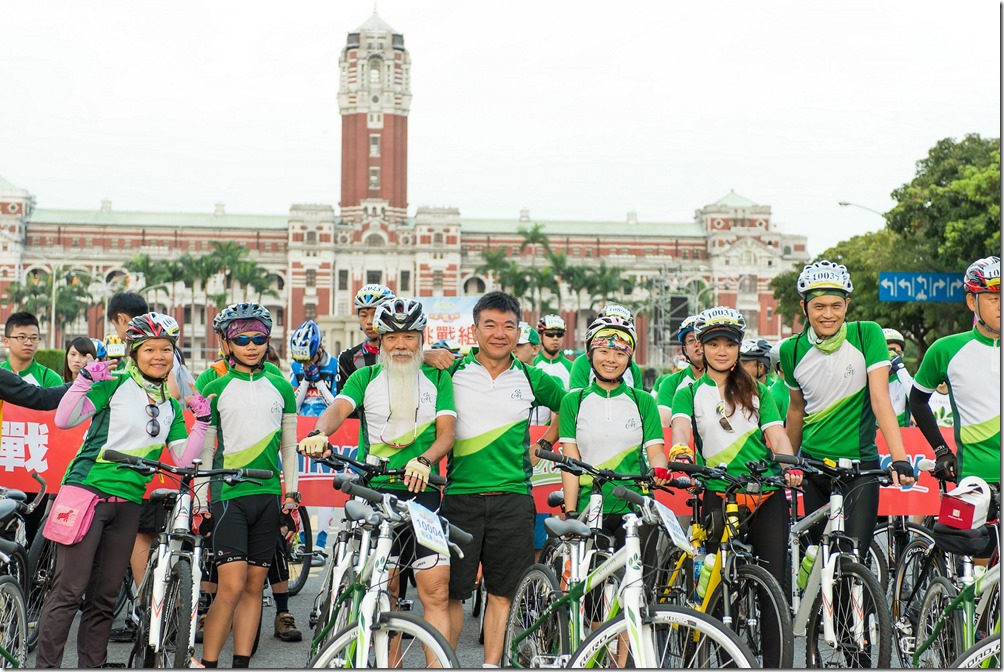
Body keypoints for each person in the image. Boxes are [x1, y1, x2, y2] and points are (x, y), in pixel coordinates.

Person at [35, 313, 211, 668]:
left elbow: (180, 459)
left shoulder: (170, 406)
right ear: (134, 352)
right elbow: (64, 419)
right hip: (87, 493)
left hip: (130, 502)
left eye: (166, 349)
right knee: (69, 591)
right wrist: (84, 381)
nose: (159, 356)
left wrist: (203, 424)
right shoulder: (112, 384)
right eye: (150, 349)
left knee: (104, 597)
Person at [299, 297, 456, 650]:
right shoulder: (364, 376)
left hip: (423, 494)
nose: (401, 345)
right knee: (386, 590)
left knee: (437, 591)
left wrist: (426, 461)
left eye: (409, 336)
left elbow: (446, 432)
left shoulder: (438, 377)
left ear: (421, 337)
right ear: (380, 341)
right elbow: (337, 409)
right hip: (374, 495)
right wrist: (318, 433)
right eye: (391, 337)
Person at [669, 307, 801, 668]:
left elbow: (776, 435)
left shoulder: (758, 390)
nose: (722, 351)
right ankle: (726, 659)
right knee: (717, 589)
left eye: (730, 343)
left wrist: (789, 465)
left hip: (765, 495)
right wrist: (680, 449)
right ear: (702, 347)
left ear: (739, 347)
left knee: (773, 588)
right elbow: (681, 429)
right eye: (714, 344)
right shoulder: (689, 392)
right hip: (717, 493)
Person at [441, 291, 566, 667]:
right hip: (460, 498)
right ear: (474, 330)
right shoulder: (451, 370)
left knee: (501, 595)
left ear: (518, 331)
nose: (499, 333)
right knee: (452, 595)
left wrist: (546, 440)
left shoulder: (530, 376)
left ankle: (490, 666)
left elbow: (570, 404)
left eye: (508, 326)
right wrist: (431, 355)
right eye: (490, 325)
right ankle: (446, 664)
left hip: (513, 500)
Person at [779, 260, 915, 560]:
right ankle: (819, 609)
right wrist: (789, 463)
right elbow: (797, 409)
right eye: (819, 306)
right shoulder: (791, 350)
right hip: (814, 468)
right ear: (805, 308)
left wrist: (900, 458)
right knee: (819, 559)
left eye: (836, 305)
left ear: (847, 305)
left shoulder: (867, 334)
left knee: (854, 557)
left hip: (860, 466)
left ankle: (861, 609)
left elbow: (880, 400)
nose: (828, 314)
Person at [197, 303, 300, 669]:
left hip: (269, 498)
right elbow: (206, 452)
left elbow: (290, 447)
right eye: (242, 338)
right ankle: (207, 663)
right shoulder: (214, 388)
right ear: (227, 343)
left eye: (258, 338)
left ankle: (241, 664)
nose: (252, 345)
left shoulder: (281, 386)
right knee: (231, 587)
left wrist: (291, 497)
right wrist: (200, 503)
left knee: (255, 586)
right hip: (228, 498)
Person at [558, 314, 669, 545]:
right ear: (590, 354)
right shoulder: (573, 401)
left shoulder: (643, 401)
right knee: (591, 578)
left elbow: (656, 451)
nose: (611, 359)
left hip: (635, 505)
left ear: (628, 360)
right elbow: (570, 462)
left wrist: (659, 469)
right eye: (604, 351)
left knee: (640, 578)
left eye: (620, 353)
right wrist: (570, 513)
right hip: (590, 506)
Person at [910, 256, 1000, 485]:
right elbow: (917, 401)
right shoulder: (945, 349)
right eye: (993, 298)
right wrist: (941, 450)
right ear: (972, 302)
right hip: (975, 480)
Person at [569, 303, 644, 391]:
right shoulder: (581, 363)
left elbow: (638, 399)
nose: (611, 360)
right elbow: (576, 399)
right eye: (604, 351)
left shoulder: (633, 368)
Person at [656, 315, 704, 426]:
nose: (697, 345)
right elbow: (663, 424)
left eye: (701, 339)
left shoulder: (727, 380)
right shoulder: (670, 383)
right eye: (691, 340)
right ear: (684, 349)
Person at [2, 311, 64, 387]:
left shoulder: (50, 379)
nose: (29, 343)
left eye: (34, 338)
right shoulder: (1, 373)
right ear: (6, 341)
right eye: (21, 337)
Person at [883, 327, 914, 427]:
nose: (894, 356)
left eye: (898, 353)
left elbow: (917, 397)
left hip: (902, 437)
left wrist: (900, 368)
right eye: (890, 351)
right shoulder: (866, 381)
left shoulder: (905, 381)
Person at [534, 314, 573, 388]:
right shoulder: (531, 365)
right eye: (550, 334)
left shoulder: (572, 368)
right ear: (540, 337)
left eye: (559, 334)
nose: (555, 338)